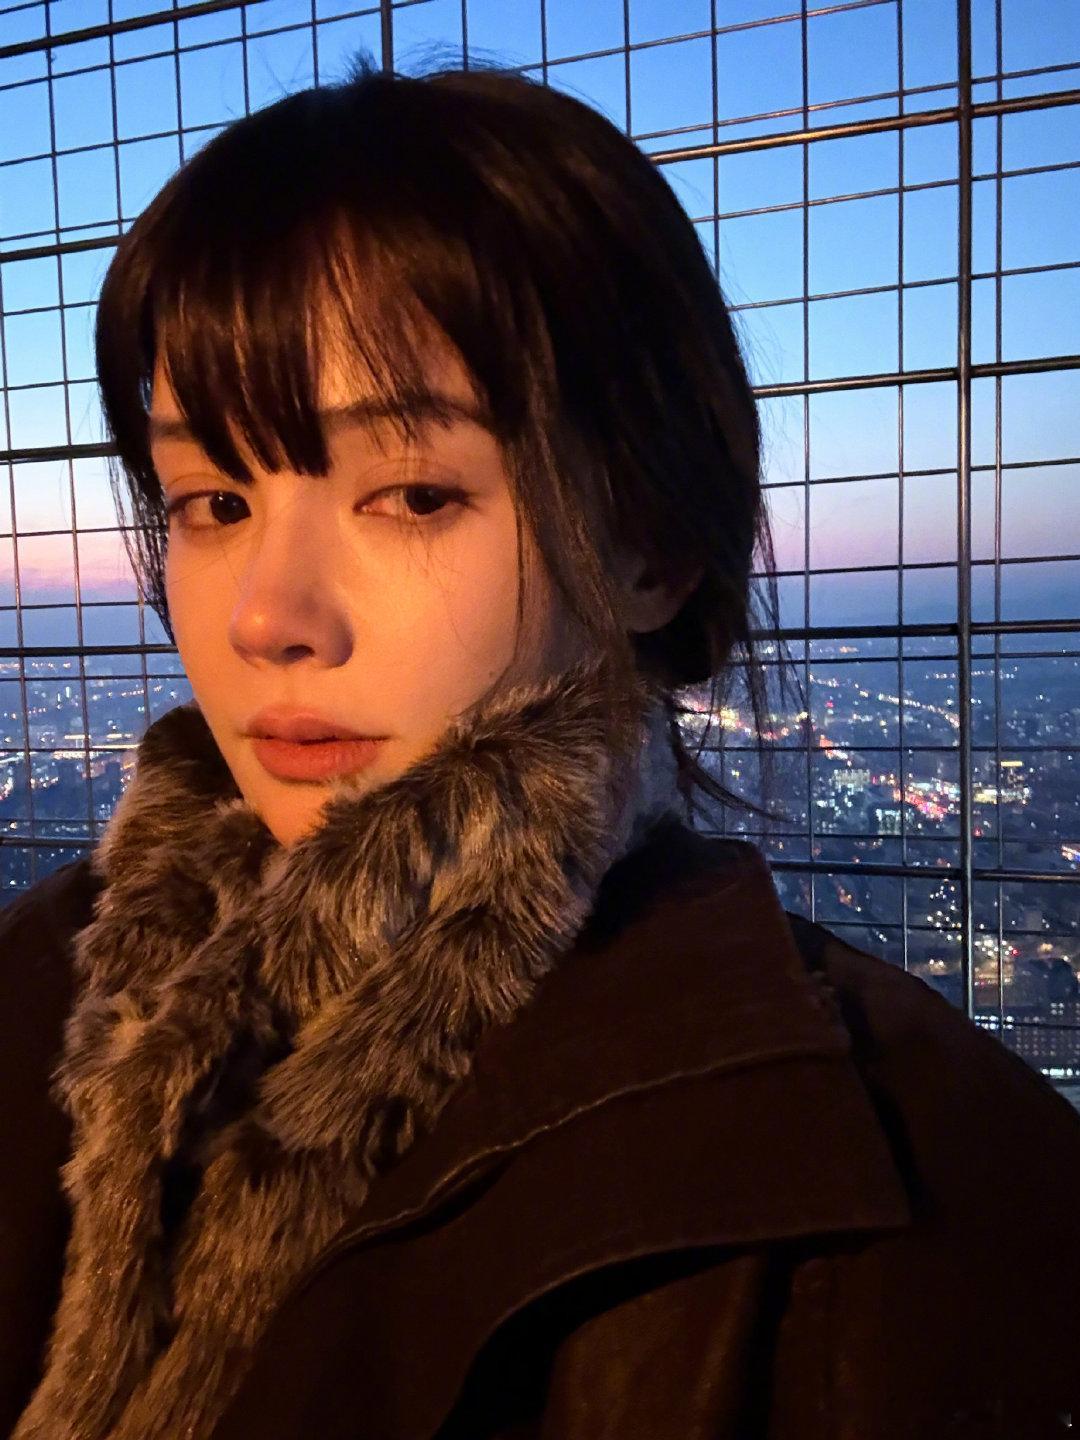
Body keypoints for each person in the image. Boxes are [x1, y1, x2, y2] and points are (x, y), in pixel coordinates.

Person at [1, 53, 1078, 1440]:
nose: (267, 614)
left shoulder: (912, 1212)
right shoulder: (44, 986)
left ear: (650, 548)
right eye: (211, 501)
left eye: (412, 493)